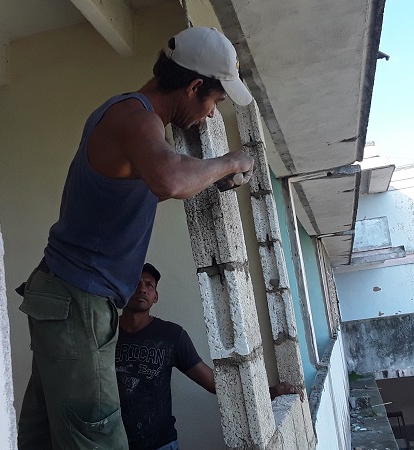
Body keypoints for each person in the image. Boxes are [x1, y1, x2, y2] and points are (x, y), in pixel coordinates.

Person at [15, 26, 256, 450]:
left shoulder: (126, 117)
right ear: (194, 86)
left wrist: (203, 177)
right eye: (214, 102)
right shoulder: (136, 117)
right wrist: (231, 161)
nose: (213, 115)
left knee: (44, 435)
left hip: (65, 294)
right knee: (98, 435)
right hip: (80, 299)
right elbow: (170, 179)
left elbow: (138, 194)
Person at [116, 263, 303, 450]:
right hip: (106, 441)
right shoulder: (102, 334)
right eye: (136, 283)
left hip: (159, 444)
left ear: (155, 296)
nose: (142, 288)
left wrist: (270, 392)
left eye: (149, 285)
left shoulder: (171, 336)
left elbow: (214, 383)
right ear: (123, 290)